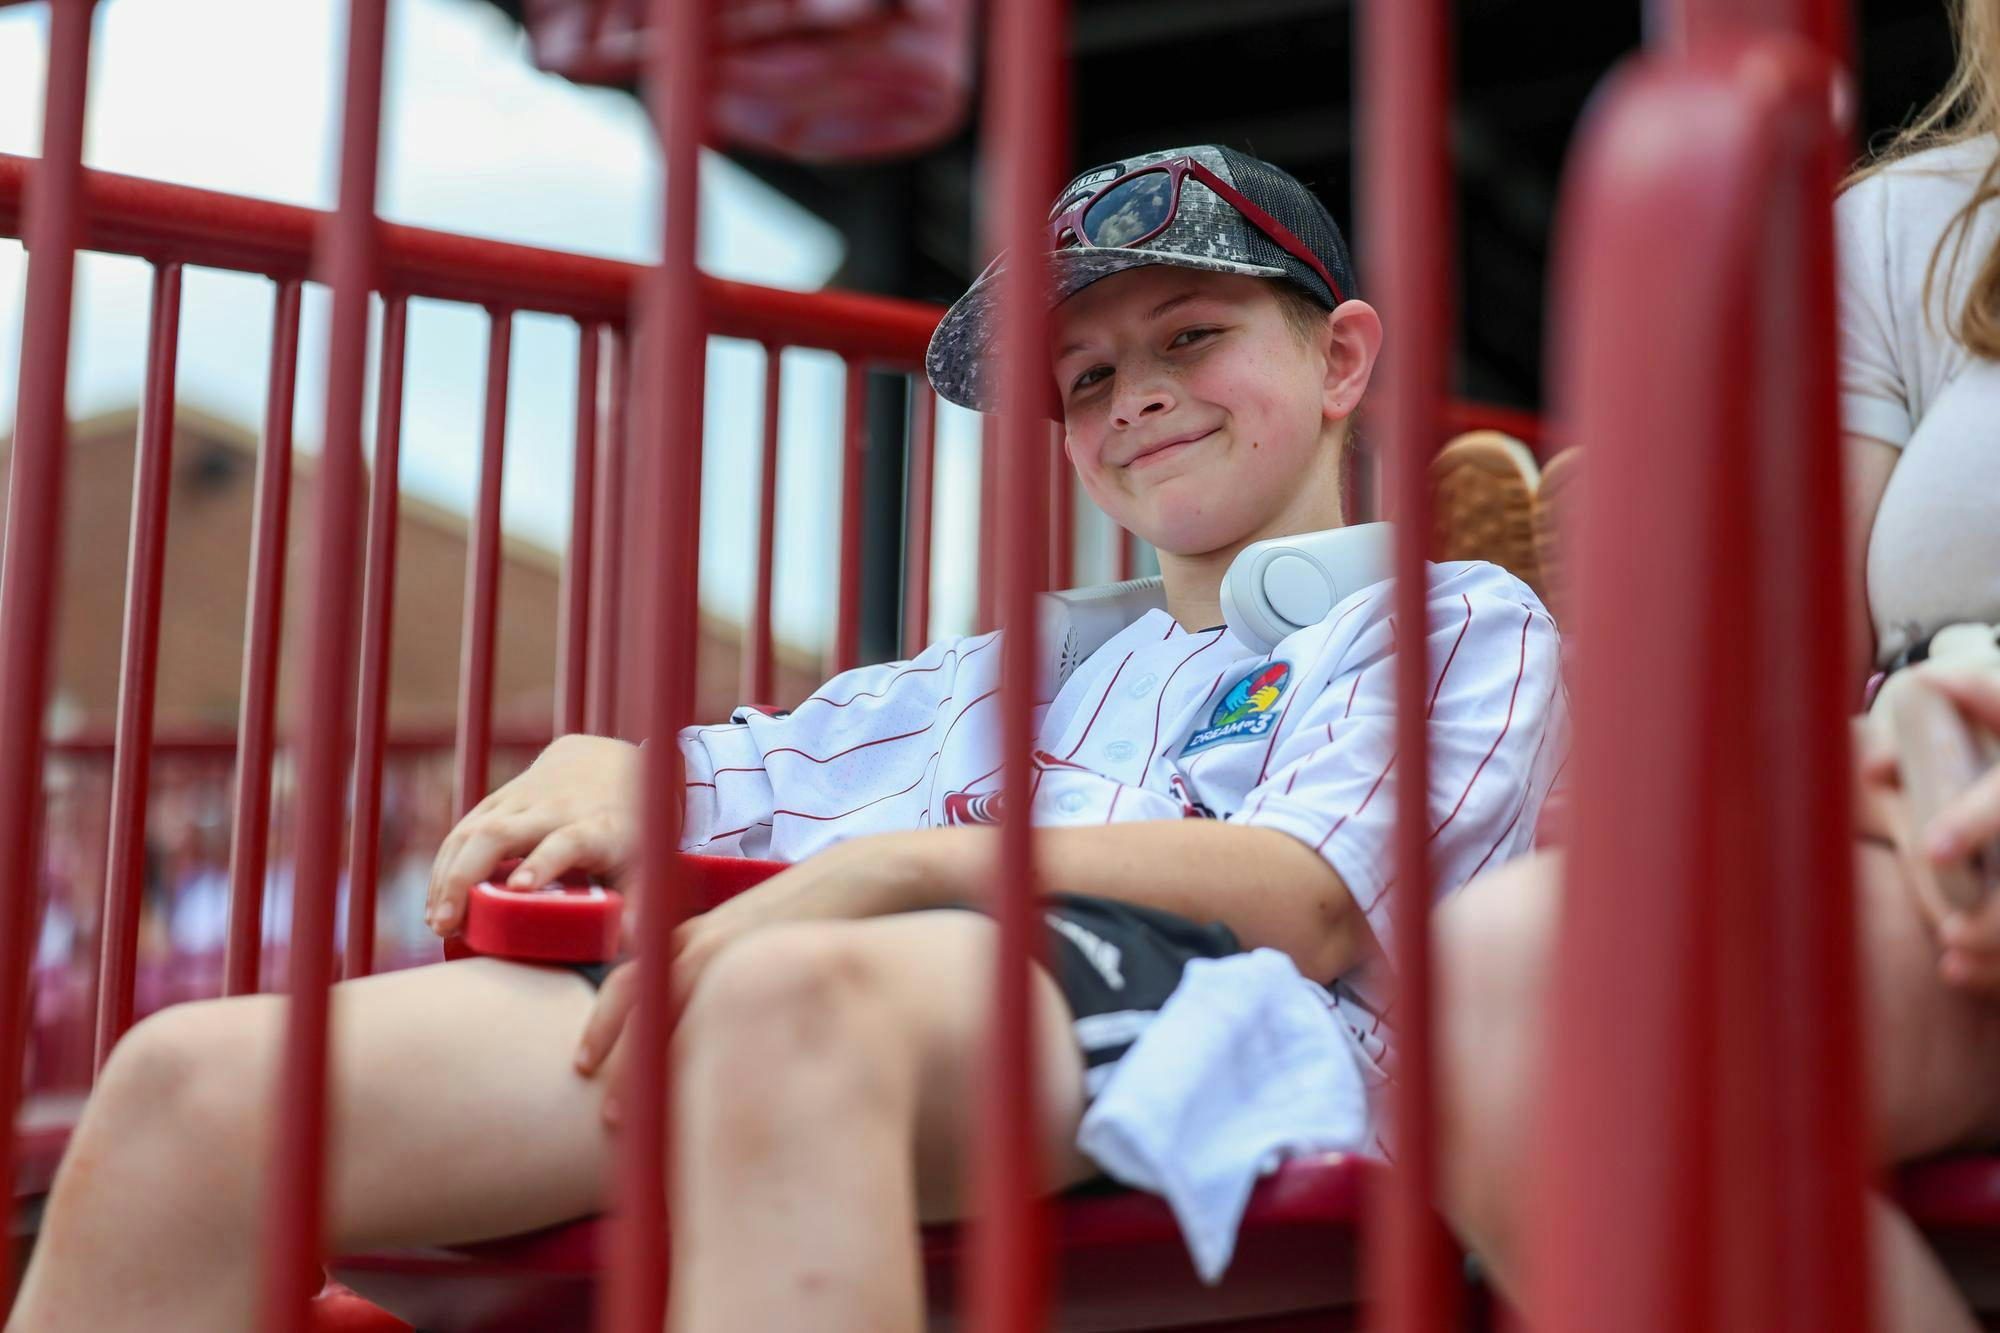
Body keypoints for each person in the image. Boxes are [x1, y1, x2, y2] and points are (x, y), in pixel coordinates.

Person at [9, 145, 1565, 1333]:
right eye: (1085, 377)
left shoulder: (1449, 618)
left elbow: (1304, 890)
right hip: (886, 1006)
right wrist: (605, 766)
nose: (1134, 398)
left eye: (1190, 337)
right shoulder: (1002, 674)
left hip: (1250, 1057)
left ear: (1343, 359)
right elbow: (735, 770)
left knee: (790, 991)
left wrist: (891, 870)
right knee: (196, 1083)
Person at [1435, 6, 2000, 1327]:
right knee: (1518, 996)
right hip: (1940, 811)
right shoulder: (1917, 227)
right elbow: (1782, 677)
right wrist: (1843, 762)